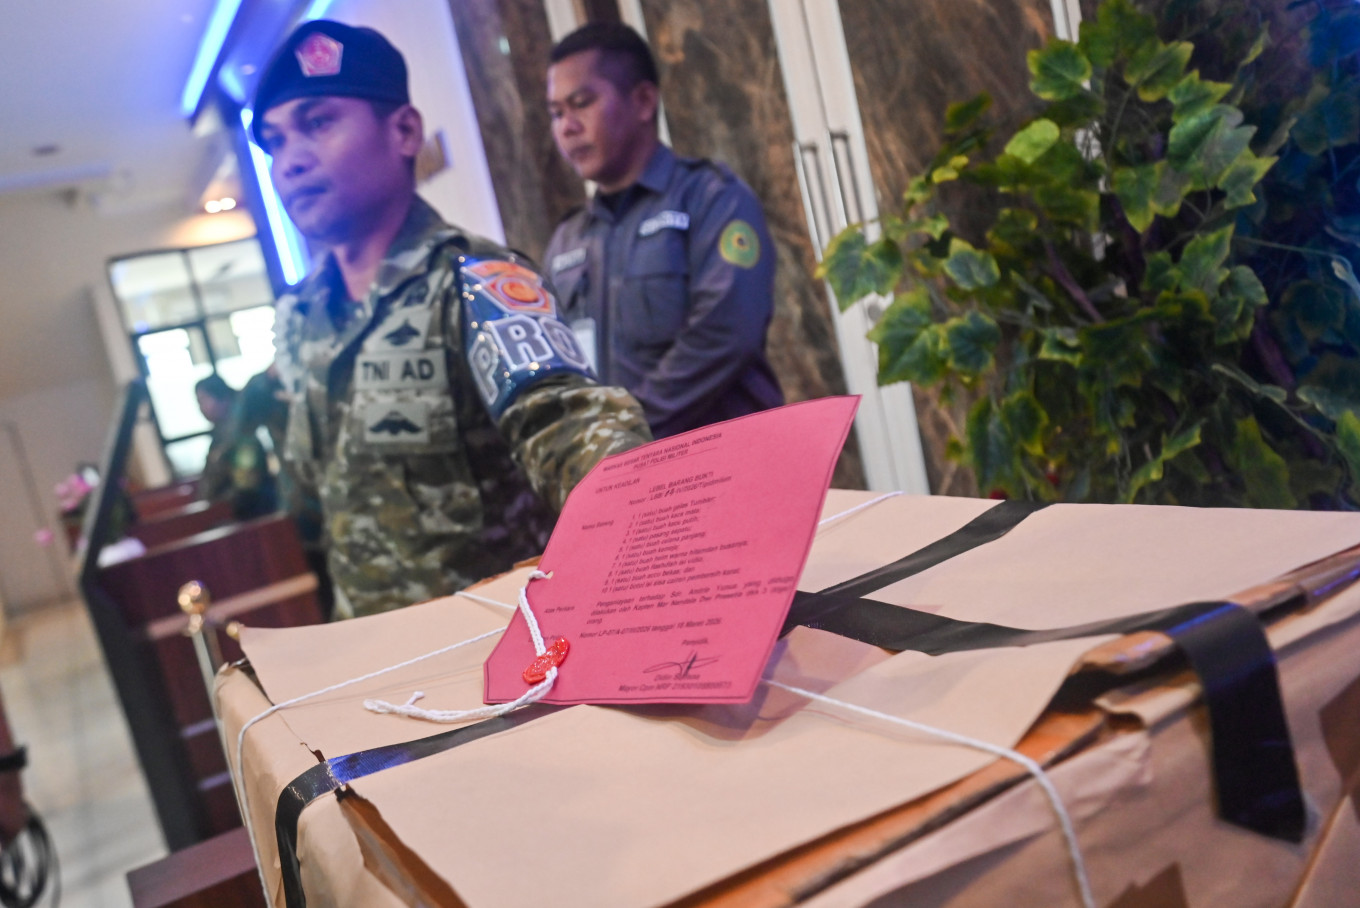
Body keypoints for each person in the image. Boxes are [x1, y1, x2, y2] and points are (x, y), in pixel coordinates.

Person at [252, 20, 651, 618]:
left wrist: (654, 514)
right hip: (368, 656)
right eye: (274, 141)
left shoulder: (474, 280)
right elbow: (317, 500)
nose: (291, 162)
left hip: (488, 654)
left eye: (319, 122)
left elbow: (568, 424)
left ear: (405, 131)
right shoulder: (301, 312)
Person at [543, 22, 784, 439]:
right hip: (629, 476)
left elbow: (726, 334)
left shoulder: (711, 198)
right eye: (556, 113)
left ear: (642, 101)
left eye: (581, 103)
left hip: (725, 462)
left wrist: (625, 429)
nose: (567, 127)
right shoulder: (567, 239)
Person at [194, 374, 278, 521]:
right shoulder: (220, 436)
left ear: (224, 398)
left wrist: (218, 510)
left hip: (249, 518)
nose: (201, 408)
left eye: (203, 400)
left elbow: (246, 488)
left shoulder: (242, 437)